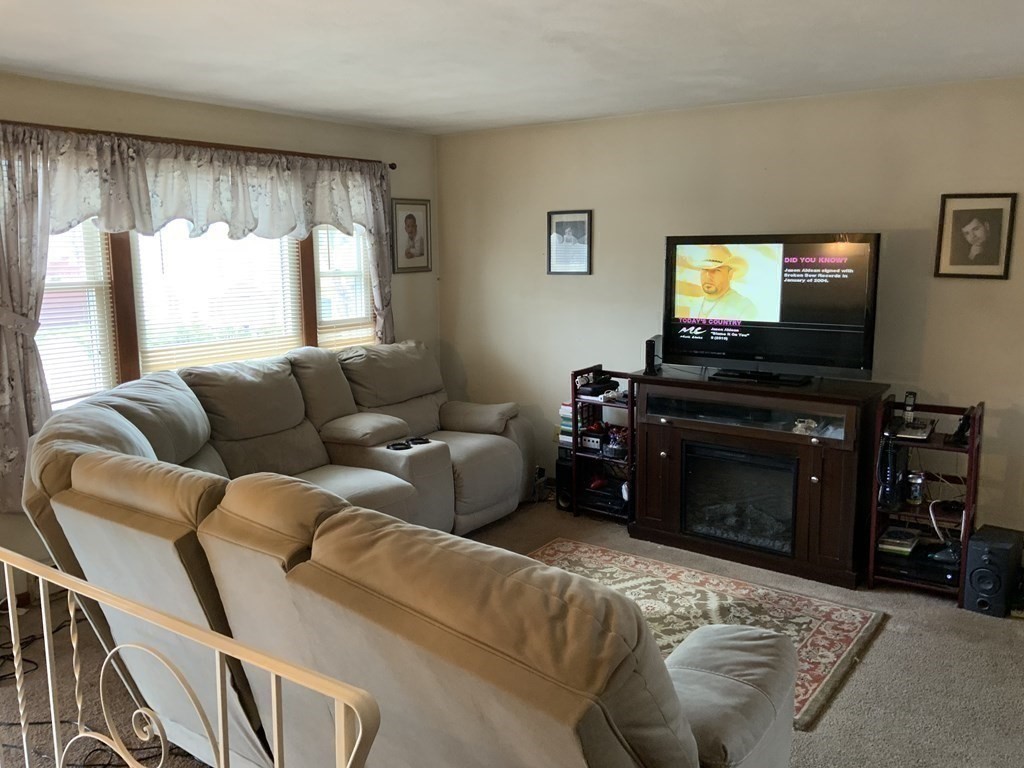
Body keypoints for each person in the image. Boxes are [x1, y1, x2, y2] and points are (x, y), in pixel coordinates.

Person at [679, 246, 757, 321]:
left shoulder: (744, 307)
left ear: (730, 274)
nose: (708, 275)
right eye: (704, 269)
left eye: (717, 270)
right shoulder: (694, 304)